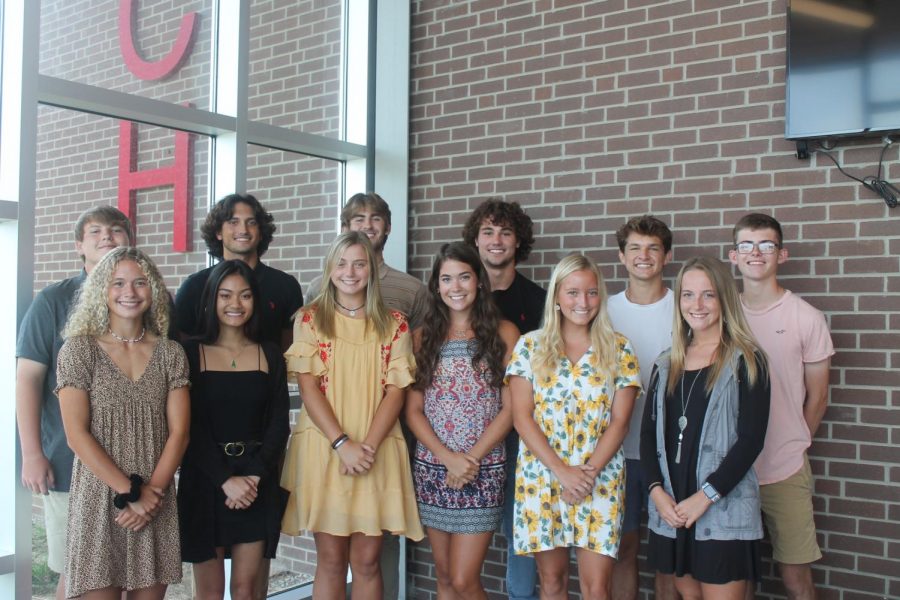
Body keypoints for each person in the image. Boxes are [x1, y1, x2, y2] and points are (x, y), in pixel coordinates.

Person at [280, 231, 424, 600]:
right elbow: (308, 387)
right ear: (329, 269)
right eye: (341, 263)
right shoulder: (309, 320)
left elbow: (397, 390)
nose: (350, 272)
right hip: (326, 447)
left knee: (367, 561)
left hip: (376, 449)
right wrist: (343, 444)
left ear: (371, 270)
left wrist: (367, 447)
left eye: (359, 263)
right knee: (329, 561)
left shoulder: (395, 324)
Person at [56, 247, 190, 599]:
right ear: (102, 290)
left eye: (139, 282)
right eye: (118, 283)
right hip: (101, 499)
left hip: (156, 498)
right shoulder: (79, 350)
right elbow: (76, 434)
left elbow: (180, 432)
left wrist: (152, 496)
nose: (129, 292)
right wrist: (131, 494)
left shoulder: (170, 353)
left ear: (154, 290)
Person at [506, 253, 641, 600]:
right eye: (573, 292)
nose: (583, 302)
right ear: (556, 296)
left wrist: (585, 475)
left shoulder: (619, 347)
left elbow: (621, 421)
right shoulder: (530, 346)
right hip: (542, 476)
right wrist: (562, 472)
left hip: (600, 476)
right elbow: (522, 417)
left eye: (592, 292)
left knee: (597, 588)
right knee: (551, 582)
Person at [15, 206, 133, 600]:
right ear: (78, 246)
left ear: (128, 241)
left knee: (125, 572)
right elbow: (28, 379)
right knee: (80, 574)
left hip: (136, 463)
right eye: (96, 231)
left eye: (116, 230)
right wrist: (32, 453)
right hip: (70, 465)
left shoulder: (144, 300)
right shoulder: (52, 302)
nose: (107, 237)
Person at [641, 256, 770, 600]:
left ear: (724, 299)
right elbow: (647, 438)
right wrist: (657, 494)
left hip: (720, 509)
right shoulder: (665, 363)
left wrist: (705, 497)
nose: (696, 305)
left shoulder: (747, 360)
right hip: (674, 507)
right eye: (687, 295)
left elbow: (751, 441)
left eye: (708, 295)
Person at [405, 242, 519, 599]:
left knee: (464, 580)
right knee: (443, 577)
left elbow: (512, 408)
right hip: (434, 469)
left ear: (479, 281)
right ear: (437, 287)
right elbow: (412, 410)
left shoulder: (505, 333)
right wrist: (447, 458)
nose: (456, 287)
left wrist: (469, 460)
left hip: (482, 470)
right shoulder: (422, 337)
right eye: (446, 279)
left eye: (464, 277)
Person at [729, 214, 833, 600]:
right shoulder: (721, 315)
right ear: (733, 256)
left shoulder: (805, 317)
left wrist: (794, 444)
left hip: (785, 468)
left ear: (782, 254)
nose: (756, 253)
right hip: (727, 471)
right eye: (746, 245)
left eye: (766, 245)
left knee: (796, 579)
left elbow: (818, 396)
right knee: (734, 581)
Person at [177, 259, 290, 600]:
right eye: (225, 295)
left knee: (246, 589)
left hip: (257, 481)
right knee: (209, 593)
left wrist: (253, 477)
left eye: (244, 296)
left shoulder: (270, 354)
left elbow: (278, 424)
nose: (235, 305)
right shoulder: (190, 353)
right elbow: (187, 427)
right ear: (211, 299)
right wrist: (225, 479)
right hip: (206, 478)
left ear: (255, 301)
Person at [462, 197, 546, 600]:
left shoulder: (538, 301)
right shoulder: (458, 296)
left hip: (521, 433)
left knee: (520, 527)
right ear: (475, 240)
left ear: (519, 242)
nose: (496, 241)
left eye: (506, 233)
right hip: (463, 434)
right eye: (488, 232)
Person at [606, 215, 679, 600]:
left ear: (666, 256)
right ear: (622, 256)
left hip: (671, 452)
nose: (643, 256)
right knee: (624, 549)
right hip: (619, 451)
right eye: (634, 248)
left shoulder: (684, 307)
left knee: (667, 552)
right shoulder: (604, 310)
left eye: (653, 248)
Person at [175, 192, 303, 349]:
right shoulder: (194, 287)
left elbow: (291, 352)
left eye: (251, 222)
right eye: (233, 222)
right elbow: (180, 351)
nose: (243, 230)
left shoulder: (286, 286)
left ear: (261, 232)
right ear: (218, 232)